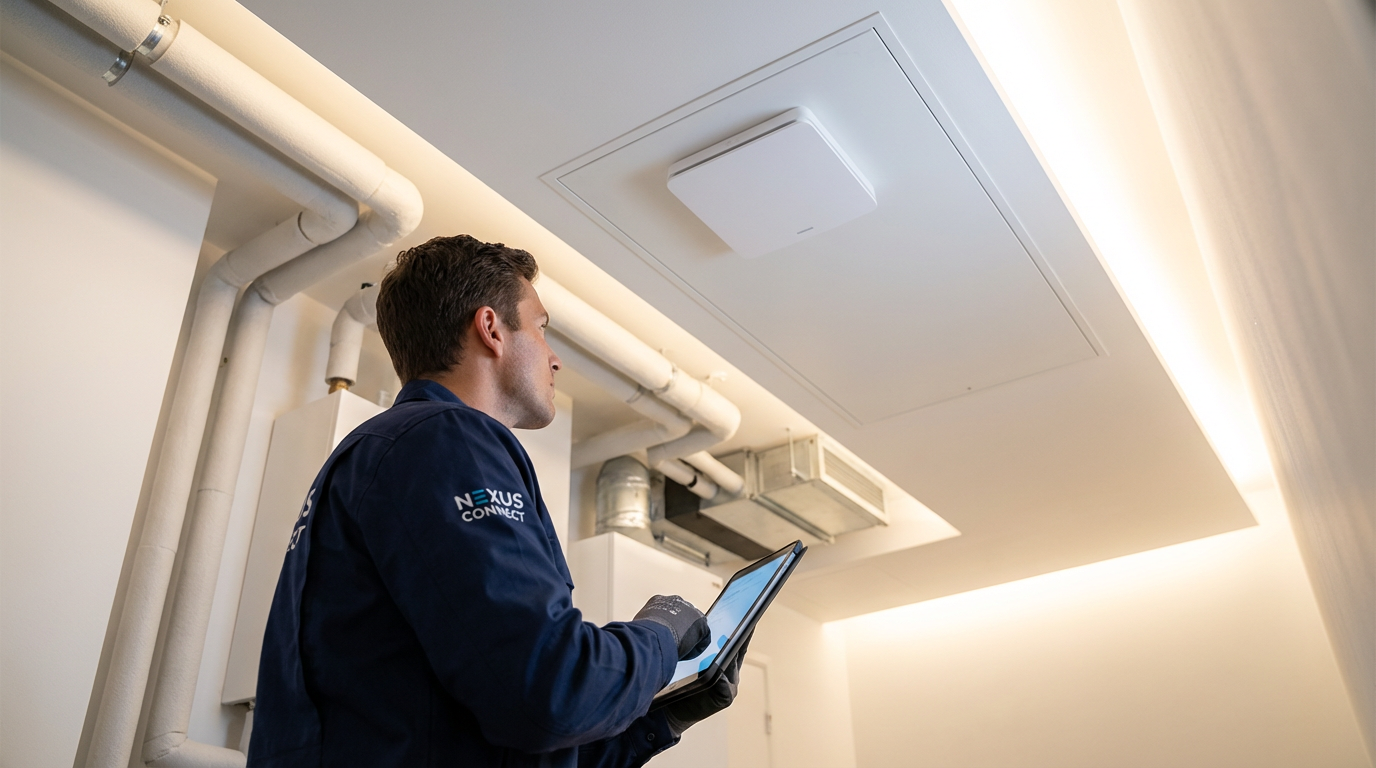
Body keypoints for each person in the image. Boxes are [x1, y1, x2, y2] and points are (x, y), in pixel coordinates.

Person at [248, 235, 743, 767]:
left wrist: (663, 718)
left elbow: (527, 730)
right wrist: (661, 635)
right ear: (490, 329)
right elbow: (550, 692)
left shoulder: (395, 451)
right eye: (541, 329)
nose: (554, 360)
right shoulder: (444, 439)